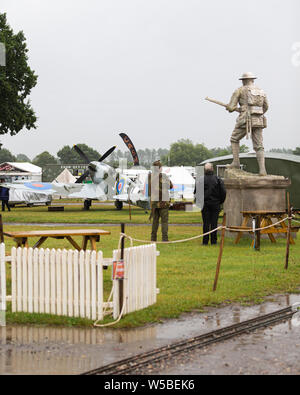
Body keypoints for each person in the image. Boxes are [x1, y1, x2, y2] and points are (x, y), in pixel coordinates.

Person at [226, 72, 269, 176]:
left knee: (234, 139)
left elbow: (231, 107)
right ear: (253, 80)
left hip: (245, 119)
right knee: (259, 145)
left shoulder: (240, 90)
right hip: (259, 120)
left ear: (243, 81)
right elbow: (266, 106)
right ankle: (262, 170)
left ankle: (236, 162)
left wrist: (230, 107)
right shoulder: (261, 91)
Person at [195, 163, 226, 245]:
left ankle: (205, 241)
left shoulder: (200, 179)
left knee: (205, 223)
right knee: (214, 223)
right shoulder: (218, 179)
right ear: (212, 169)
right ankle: (213, 241)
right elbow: (223, 192)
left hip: (204, 204)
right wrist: (220, 201)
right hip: (215, 203)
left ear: (205, 169)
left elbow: (196, 192)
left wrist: (199, 202)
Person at [148, 160, 173, 242]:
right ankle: (165, 239)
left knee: (155, 222)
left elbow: (149, 191)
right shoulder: (164, 176)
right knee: (164, 222)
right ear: (160, 168)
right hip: (163, 203)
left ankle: (153, 238)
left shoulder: (150, 177)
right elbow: (171, 186)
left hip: (154, 204)